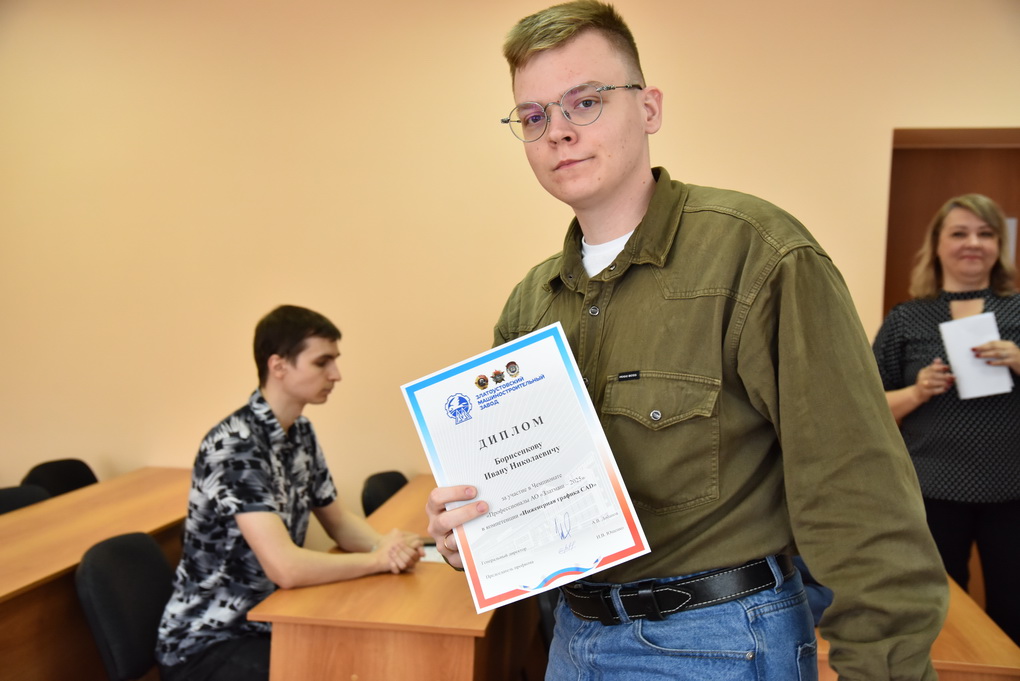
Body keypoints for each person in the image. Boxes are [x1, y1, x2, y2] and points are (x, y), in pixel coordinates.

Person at [425, 2, 948, 679]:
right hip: (572, 640)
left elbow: (855, 487)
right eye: (533, 116)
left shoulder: (757, 254)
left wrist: (886, 667)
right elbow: (530, 504)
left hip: (720, 644)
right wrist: (472, 534)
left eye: (585, 102)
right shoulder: (531, 302)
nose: (559, 132)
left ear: (649, 108)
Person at [156, 305, 424, 681]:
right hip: (210, 642)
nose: (336, 374)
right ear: (278, 366)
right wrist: (378, 559)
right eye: (322, 362)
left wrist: (387, 548)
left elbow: (339, 523)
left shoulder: (300, 432)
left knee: (365, 656)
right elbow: (286, 568)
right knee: (343, 668)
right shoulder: (235, 445)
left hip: (270, 618)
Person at [873, 194, 1020, 644]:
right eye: (959, 233)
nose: (973, 243)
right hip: (931, 490)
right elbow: (869, 410)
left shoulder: (1018, 310)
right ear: (937, 245)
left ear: (999, 245)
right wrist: (918, 391)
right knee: (941, 615)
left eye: (985, 233)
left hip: (1013, 490)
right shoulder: (906, 318)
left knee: (1014, 611)